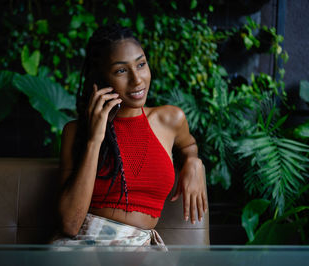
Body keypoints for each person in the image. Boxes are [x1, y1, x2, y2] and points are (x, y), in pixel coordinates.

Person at [53, 24, 207, 248]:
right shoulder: (76, 132)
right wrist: (95, 139)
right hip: (82, 246)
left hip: (139, 248)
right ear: (101, 79)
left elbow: (188, 146)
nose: (137, 80)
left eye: (141, 64)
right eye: (121, 71)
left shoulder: (170, 119)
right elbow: (70, 224)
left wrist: (193, 160)